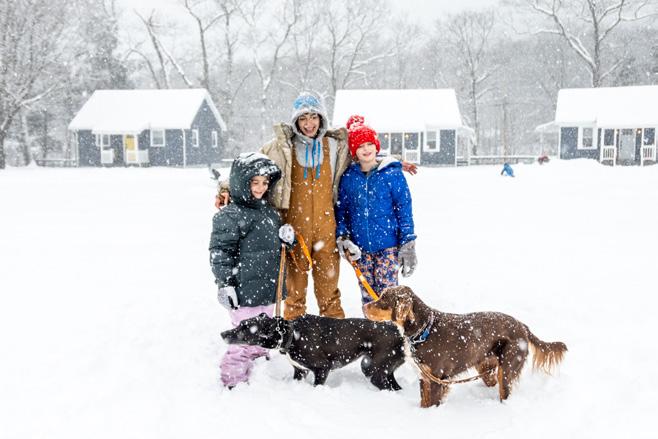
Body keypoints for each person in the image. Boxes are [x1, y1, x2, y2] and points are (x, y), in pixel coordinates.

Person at [209, 152, 293, 388]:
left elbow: (275, 248)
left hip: (268, 289)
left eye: (265, 182)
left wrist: (287, 240)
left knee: (262, 335)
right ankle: (232, 380)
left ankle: (258, 374)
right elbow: (220, 252)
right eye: (254, 182)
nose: (260, 188)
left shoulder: (269, 212)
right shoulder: (230, 215)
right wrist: (225, 284)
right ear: (241, 182)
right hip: (244, 291)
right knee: (244, 339)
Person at [335, 115, 417, 307]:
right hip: (360, 249)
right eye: (360, 145)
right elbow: (342, 211)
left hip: (388, 247)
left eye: (369, 144)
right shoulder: (348, 178)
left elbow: (404, 210)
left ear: (376, 146)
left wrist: (408, 242)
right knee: (369, 298)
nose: (366, 149)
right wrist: (343, 236)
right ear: (354, 151)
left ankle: (391, 326)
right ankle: (371, 326)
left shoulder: (392, 174)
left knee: (389, 297)